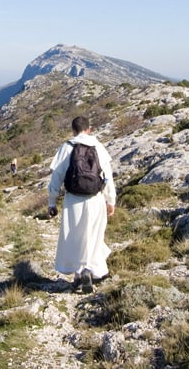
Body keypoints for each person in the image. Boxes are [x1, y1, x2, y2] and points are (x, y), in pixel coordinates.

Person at [47, 116, 117, 293]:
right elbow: (107, 177)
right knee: (94, 235)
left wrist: (52, 202)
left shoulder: (67, 147)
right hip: (95, 198)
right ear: (90, 129)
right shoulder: (98, 147)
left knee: (75, 236)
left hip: (73, 199)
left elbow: (56, 177)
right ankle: (91, 270)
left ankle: (79, 273)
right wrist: (111, 200)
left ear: (73, 130)